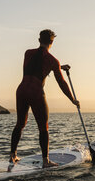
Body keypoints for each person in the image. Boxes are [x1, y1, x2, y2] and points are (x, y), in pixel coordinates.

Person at [9, 29, 79, 168]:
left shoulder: (28, 53)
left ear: (39, 40)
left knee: (20, 125)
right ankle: (46, 161)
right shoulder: (53, 61)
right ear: (52, 42)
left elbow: (37, 63)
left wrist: (59, 67)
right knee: (43, 128)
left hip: (21, 90)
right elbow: (62, 83)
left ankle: (12, 156)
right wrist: (73, 100)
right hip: (35, 92)